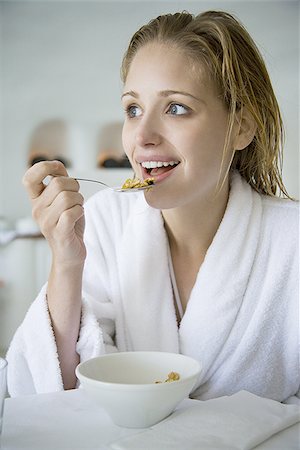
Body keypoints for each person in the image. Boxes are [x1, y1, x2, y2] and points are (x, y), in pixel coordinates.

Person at [6, 10, 299, 403]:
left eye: (176, 107)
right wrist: (66, 261)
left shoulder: (291, 241)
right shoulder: (107, 219)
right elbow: (48, 393)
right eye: (133, 109)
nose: (141, 136)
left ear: (241, 127)